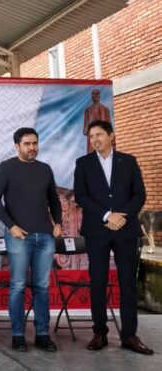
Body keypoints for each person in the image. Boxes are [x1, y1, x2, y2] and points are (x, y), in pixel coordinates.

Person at [74, 120, 153, 355]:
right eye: (91, 136)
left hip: (126, 230)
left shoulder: (128, 161)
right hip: (97, 231)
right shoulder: (83, 163)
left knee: (128, 282)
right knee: (97, 281)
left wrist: (122, 217)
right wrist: (107, 215)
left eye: (99, 135)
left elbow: (139, 194)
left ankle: (129, 335)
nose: (95, 140)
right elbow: (81, 195)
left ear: (111, 136)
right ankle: (99, 332)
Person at [0, 127, 62, 352]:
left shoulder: (45, 169)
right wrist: (11, 227)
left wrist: (58, 223)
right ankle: (18, 335)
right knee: (18, 286)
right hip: (19, 237)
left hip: (45, 237)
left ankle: (42, 335)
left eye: (35, 143)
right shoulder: (6, 167)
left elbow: (54, 200)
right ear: (17, 146)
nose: (32, 147)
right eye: (27, 143)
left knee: (42, 287)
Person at [83, 89, 111, 153]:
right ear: (91, 96)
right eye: (93, 94)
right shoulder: (88, 110)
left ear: (100, 96)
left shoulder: (105, 109)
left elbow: (109, 127)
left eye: (97, 94)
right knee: (92, 156)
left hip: (103, 138)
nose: (95, 96)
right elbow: (85, 131)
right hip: (92, 141)